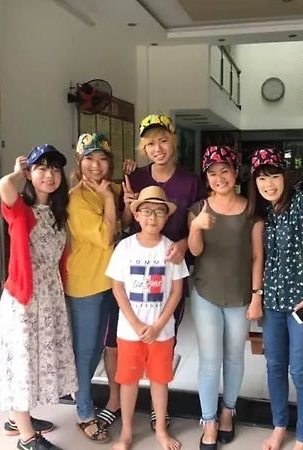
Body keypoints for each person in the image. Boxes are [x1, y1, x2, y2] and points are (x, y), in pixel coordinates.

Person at [120, 113, 205, 429]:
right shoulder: (135, 178)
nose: (158, 149)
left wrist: (183, 244)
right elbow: (126, 224)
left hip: (172, 267)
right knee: (133, 337)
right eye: (150, 144)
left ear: (174, 142)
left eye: (163, 141)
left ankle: (159, 406)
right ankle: (129, 408)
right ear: (143, 149)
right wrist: (126, 205)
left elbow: (198, 227)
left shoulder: (191, 182)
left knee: (165, 337)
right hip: (138, 270)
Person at [247, 147, 303, 450]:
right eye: (261, 178)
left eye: (273, 176)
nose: (268, 184)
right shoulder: (266, 214)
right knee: (274, 366)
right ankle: (279, 427)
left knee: (300, 370)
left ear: (284, 176)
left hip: (302, 302)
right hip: (273, 302)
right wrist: (257, 297)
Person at [0, 146, 77, 450]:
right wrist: (18, 173)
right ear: (30, 173)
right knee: (23, 362)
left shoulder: (56, 212)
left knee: (36, 359)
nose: (49, 175)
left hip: (49, 295)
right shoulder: (20, 209)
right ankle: (27, 439)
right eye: (41, 168)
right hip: (25, 300)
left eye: (54, 169)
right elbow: (4, 185)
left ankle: (17, 419)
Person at [188, 146, 264, 450]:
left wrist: (256, 296)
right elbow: (195, 251)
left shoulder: (251, 211)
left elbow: (257, 257)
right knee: (210, 360)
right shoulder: (198, 209)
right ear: (206, 177)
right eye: (212, 172)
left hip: (240, 294)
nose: (219, 177)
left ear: (235, 173)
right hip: (206, 292)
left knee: (234, 357)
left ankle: (228, 411)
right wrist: (196, 226)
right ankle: (208, 421)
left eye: (225, 171)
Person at [106, 185, 189, 450]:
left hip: (161, 332)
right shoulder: (125, 247)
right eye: (147, 211)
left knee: (160, 380)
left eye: (159, 212)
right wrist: (136, 324)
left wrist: (159, 325)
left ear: (167, 217)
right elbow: (117, 287)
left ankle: (161, 430)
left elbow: (177, 291)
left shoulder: (171, 250)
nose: (152, 217)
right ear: (137, 215)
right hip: (129, 331)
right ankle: (126, 433)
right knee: (128, 381)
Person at [66, 132, 136, 442]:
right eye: (89, 158)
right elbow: (108, 237)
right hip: (86, 283)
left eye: (102, 158)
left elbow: (122, 224)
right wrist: (110, 198)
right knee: (86, 351)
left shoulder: (112, 188)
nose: (96, 165)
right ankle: (84, 412)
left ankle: (89, 399)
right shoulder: (76, 198)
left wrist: (126, 202)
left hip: (111, 281)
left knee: (103, 347)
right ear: (79, 162)